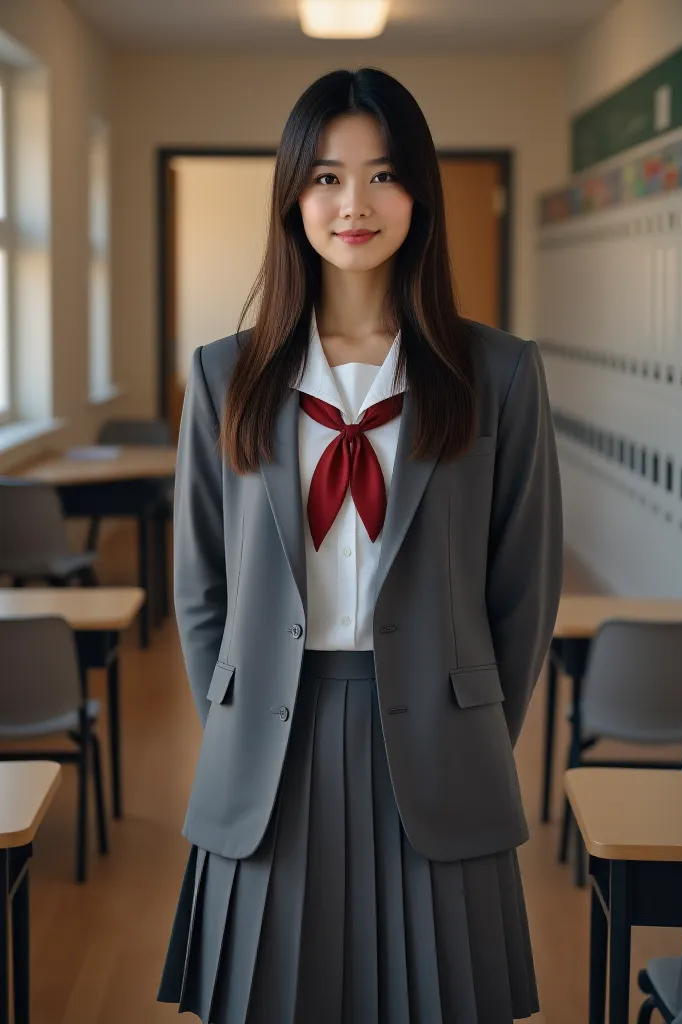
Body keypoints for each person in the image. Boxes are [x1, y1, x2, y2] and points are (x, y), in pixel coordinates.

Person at [157, 66, 563, 1023]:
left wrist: (469, 728)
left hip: (439, 741)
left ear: (418, 193)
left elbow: (523, 587)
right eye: (328, 177)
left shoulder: (498, 372)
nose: (354, 204)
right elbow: (200, 586)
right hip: (271, 743)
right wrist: (237, 722)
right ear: (294, 195)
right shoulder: (226, 374)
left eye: (382, 176)